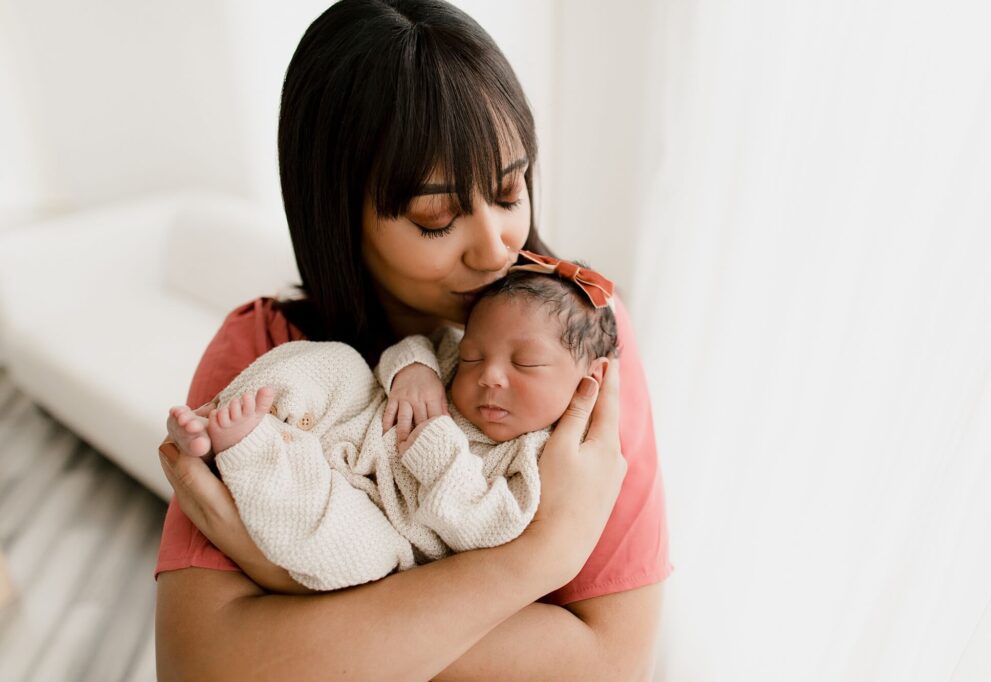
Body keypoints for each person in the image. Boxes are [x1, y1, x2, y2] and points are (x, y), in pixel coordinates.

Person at [155, 1, 671, 679]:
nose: (496, 248)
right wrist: (542, 556)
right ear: (340, 215)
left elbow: (611, 661)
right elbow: (203, 668)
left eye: (510, 191)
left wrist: (288, 587)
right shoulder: (265, 354)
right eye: (436, 217)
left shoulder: (579, 337)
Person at [166, 264, 618, 591]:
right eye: (474, 357)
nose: (489, 375)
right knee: (337, 365)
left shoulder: (540, 456)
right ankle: (223, 417)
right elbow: (419, 345)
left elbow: (485, 529)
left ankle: (244, 446)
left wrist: (439, 449)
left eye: (526, 363)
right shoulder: (454, 357)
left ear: (588, 380)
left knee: (357, 555)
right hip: (357, 425)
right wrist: (414, 370)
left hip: (381, 514)